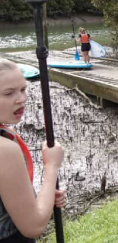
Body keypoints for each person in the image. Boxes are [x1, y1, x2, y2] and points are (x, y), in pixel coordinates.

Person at [0, 59, 66, 243]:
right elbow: (33, 226)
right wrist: (51, 167)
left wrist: (44, 197)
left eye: (23, 89)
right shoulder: (5, 150)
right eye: (8, 93)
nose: (21, 99)